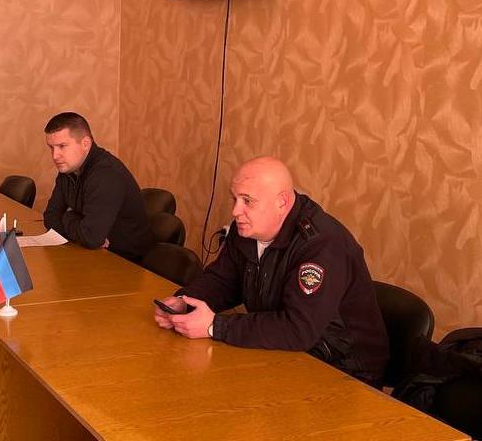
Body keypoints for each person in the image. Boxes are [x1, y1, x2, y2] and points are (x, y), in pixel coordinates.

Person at [154, 157, 389, 386]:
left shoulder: (321, 245)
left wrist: (215, 326)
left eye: (247, 201)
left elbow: (298, 329)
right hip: (287, 353)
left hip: (345, 371)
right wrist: (185, 301)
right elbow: (223, 280)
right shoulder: (247, 229)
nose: (236, 211)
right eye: (235, 198)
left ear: (282, 202)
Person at [43, 112, 153, 262]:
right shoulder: (68, 170)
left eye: (62, 146)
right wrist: (78, 224)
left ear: (85, 144)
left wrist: (68, 216)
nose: (55, 156)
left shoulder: (106, 173)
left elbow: (91, 237)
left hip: (127, 262)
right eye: (51, 147)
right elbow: (50, 217)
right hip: (94, 255)